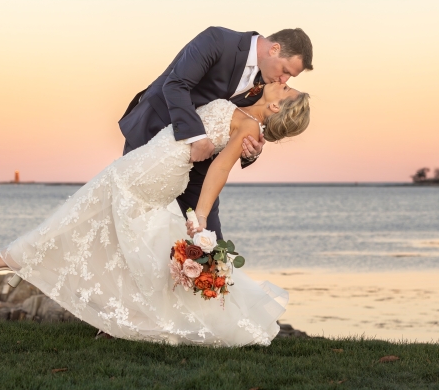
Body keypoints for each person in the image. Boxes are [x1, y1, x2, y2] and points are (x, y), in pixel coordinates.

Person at [0, 78, 312, 346]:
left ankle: (16, 256)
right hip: (156, 158)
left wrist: (199, 218)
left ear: (275, 106)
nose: (282, 81)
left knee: (87, 207)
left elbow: (218, 172)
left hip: (158, 168)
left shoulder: (249, 127)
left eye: (286, 88)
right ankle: (28, 259)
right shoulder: (245, 106)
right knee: (114, 225)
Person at [119, 27, 314, 240]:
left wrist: (251, 150)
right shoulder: (218, 41)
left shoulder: (267, 82)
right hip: (155, 137)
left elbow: (247, 123)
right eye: (286, 70)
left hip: (203, 165)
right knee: (134, 227)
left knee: (209, 241)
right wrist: (197, 138)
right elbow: (176, 85)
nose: (284, 80)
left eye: (289, 77)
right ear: (274, 49)